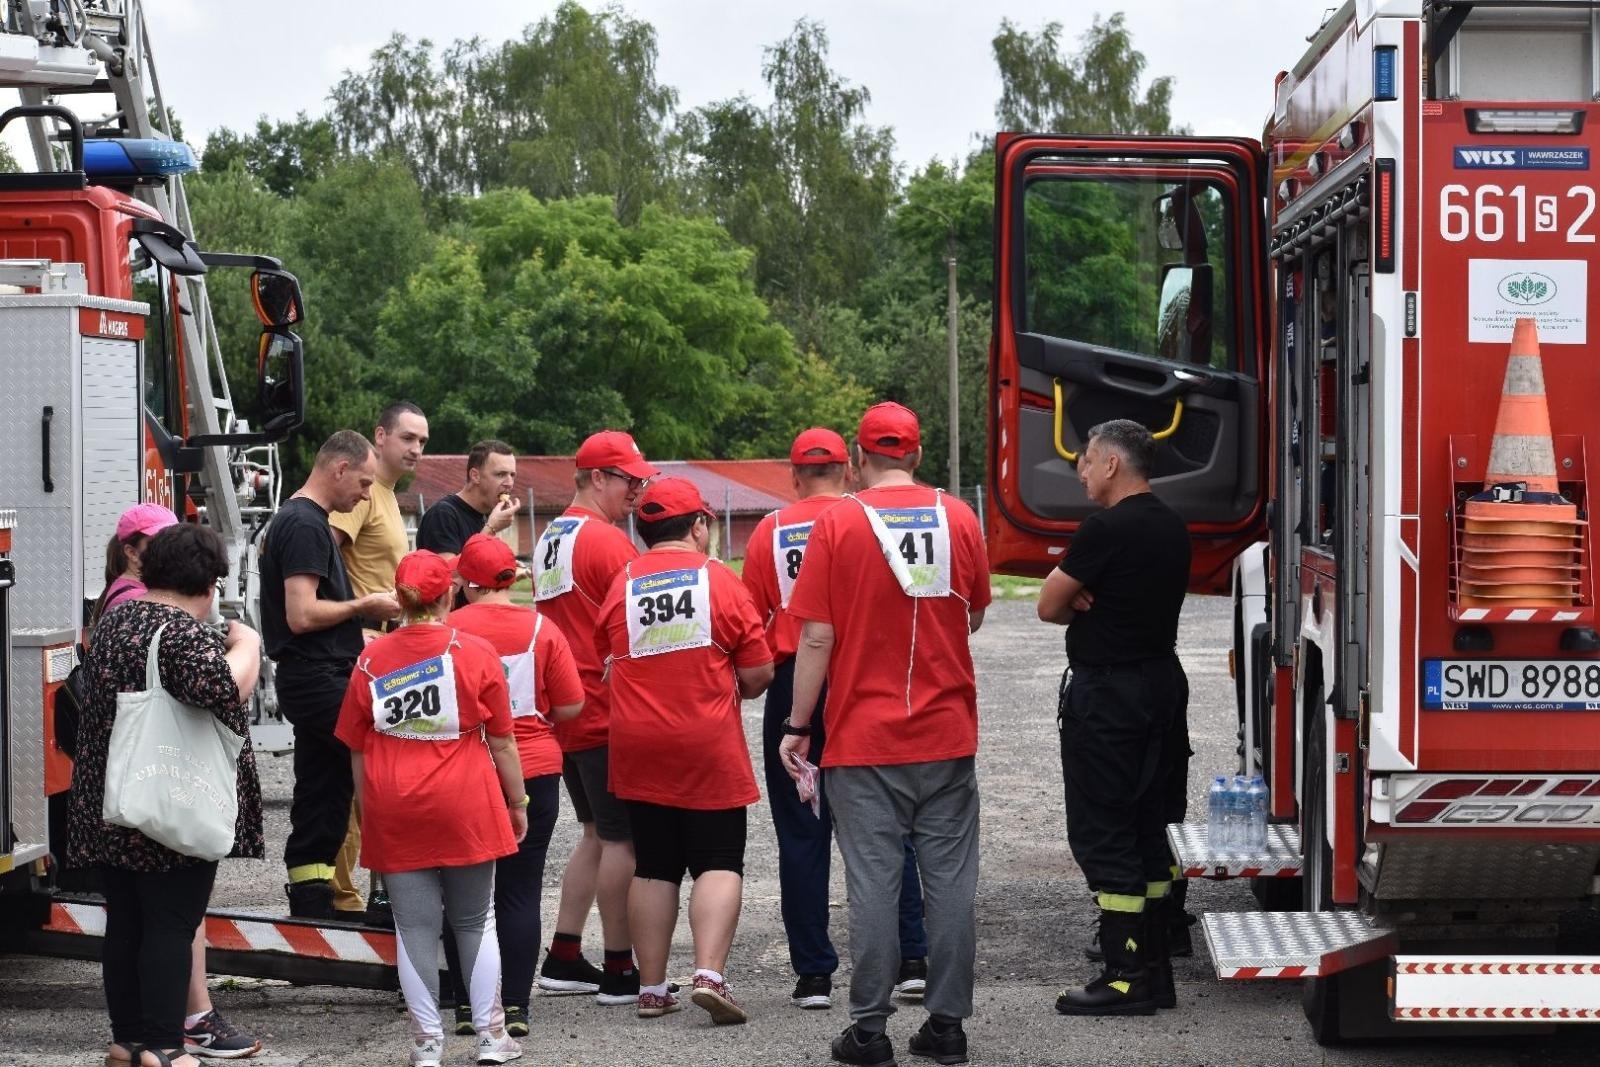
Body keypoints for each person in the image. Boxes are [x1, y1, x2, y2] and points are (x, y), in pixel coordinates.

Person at [780, 402, 990, 1067]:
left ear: (857, 457)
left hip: (865, 739)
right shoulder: (959, 516)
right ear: (919, 454)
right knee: (950, 884)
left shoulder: (840, 520)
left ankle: (870, 1031)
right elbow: (975, 612)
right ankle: (948, 1023)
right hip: (947, 732)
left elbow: (816, 634)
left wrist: (797, 724)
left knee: (873, 884)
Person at [742, 428, 932, 1011]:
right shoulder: (865, 518)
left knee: (803, 837)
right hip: (861, 683)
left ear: (793, 474)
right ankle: (912, 958)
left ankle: (815, 974)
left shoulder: (770, 532)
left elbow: (752, 620)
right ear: (848, 469)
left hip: (794, 684)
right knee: (887, 826)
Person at [65, 524, 266, 1067]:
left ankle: (127, 1041)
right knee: (170, 926)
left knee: (126, 923)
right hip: (168, 801)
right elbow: (224, 690)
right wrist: (248, 643)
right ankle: (164, 1047)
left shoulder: (114, 621)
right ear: (208, 581)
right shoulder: (180, 632)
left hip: (110, 801)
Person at [334, 551, 529, 1067]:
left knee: (413, 928)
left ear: (398, 600)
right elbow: (504, 743)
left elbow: (356, 748)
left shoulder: (370, 660)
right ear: (450, 595)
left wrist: (368, 806)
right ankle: (491, 1037)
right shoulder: (476, 650)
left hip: (394, 801)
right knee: (475, 920)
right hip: (465, 798)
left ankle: (426, 1045)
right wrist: (518, 800)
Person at [594, 477, 773, 1023]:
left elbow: (609, 655)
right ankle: (710, 974)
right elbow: (759, 669)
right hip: (706, 740)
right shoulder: (718, 579)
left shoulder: (622, 581)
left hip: (638, 744)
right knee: (719, 858)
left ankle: (651, 988)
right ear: (698, 525)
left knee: (654, 865)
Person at [1036, 419, 1191, 1016]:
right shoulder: (1171, 526)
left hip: (1108, 695)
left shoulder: (1105, 529)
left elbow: (1048, 606)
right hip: (1160, 686)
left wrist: (1076, 595)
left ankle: (1123, 975)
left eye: (1085, 460)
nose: (1080, 472)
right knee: (1150, 824)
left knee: (1104, 831)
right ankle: (1154, 971)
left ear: (1111, 465)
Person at [530, 430, 658, 1003]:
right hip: (603, 709)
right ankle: (618, 967)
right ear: (598, 478)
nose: (638, 490)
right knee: (622, 842)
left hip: (567, 708)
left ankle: (563, 953)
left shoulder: (551, 534)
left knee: (595, 835)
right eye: (629, 479)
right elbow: (642, 621)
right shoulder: (605, 543)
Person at [448, 533, 585, 1038]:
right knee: (520, 890)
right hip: (534, 765)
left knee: (463, 892)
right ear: (513, 578)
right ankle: (516, 1006)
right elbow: (571, 706)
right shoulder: (542, 628)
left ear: (465, 583)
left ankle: (465, 1005)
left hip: (464, 768)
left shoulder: (449, 627)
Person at [259, 431, 401, 918]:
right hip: (318, 679)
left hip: (313, 673)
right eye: (363, 482)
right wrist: (366, 606)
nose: (365, 494)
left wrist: (355, 639)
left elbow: (301, 621)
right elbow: (301, 615)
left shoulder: (303, 520)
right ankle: (389, 895)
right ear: (339, 469)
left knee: (324, 787)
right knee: (382, 764)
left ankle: (313, 899)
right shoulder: (304, 524)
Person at [327, 401, 431, 923]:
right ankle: (342, 899)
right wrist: (356, 622)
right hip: (364, 645)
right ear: (380, 436)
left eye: (422, 442)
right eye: (407, 438)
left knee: (383, 777)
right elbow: (325, 554)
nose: (415, 449)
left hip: (389, 644)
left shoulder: (386, 495)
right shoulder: (364, 495)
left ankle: (376, 892)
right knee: (357, 780)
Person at [416, 440, 520, 562]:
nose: (509, 483)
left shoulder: (482, 518)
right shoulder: (443, 514)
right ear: (475, 476)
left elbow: (475, 573)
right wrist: (491, 528)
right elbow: (449, 573)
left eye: (512, 475)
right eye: (500, 474)